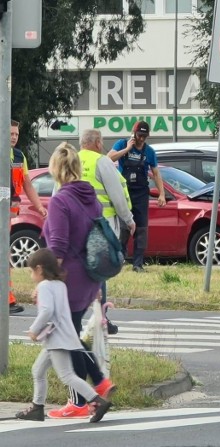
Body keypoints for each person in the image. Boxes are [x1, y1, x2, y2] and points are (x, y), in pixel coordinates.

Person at [42, 143, 116, 419]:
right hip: (88, 275)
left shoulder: (61, 199)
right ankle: (97, 386)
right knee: (70, 335)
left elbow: (59, 246)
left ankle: (83, 398)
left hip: (67, 278)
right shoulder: (91, 197)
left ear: (57, 169)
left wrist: (48, 284)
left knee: (67, 338)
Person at [15, 248, 112, 423]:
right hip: (63, 336)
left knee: (67, 375)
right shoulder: (60, 285)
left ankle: (97, 401)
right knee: (38, 370)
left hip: (57, 339)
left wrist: (34, 330)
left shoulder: (44, 286)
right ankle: (37, 408)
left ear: (39, 269)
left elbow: (47, 311)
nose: (31, 276)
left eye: (31, 271)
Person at [79, 129, 136, 334]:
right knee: (100, 271)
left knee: (78, 269)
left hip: (76, 225)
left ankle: (76, 316)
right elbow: (117, 195)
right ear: (97, 143)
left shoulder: (72, 160)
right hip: (100, 225)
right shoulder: (101, 162)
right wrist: (128, 220)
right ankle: (102, 319)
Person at [107, 121, 166, 272]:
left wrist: (162, 194)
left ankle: (138, 264)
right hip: (124, 192)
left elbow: (156, 173)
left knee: (141, 229)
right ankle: (120, 260)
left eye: (144, 136)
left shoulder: (150, 152)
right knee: (124, 227)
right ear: (133, 134)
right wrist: (127, 149)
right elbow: (108, 159)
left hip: (141, 193)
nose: (141, 139)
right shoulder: (121, 144)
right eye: (139, 135)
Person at [9, 120, 47, 315]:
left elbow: (26, 184)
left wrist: (39, 206)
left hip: (8, 213)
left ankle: (7, 299)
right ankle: (7, 300)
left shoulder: (18, 156)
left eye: (16, 134)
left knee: (3, 257)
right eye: (11, 134)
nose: (14, 137)